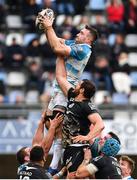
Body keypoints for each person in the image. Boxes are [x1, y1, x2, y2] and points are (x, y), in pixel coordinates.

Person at [38, 9, 99, 174]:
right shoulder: (76, 44)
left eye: (81, 33)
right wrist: (46, 27)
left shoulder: (84, 49)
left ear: (88, 39)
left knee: (56, 126)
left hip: (67, 89)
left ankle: (53, 167)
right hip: (58, 86)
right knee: (50, 124)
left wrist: (50, 28)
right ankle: (45, 164)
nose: (78, 34)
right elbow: (55, 42)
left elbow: (58, 50)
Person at [54, 56, 104, 176]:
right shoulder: (72, 96)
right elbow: (60, 78)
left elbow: (100, 124)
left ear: (82, 90)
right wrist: (60, 56)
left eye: (79, 85)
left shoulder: (87, 106)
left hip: (78, 147)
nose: (76, 85)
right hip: (68, 147)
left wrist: (87, 137)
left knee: (74, 177)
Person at [16, 111, 63, 176]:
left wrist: (41, 122)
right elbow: (44, 149)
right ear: (27, 158)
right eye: (30, 151)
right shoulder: (34, 169)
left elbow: (37, 145)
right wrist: (53, 126)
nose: (32, 150)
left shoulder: (23, 168)